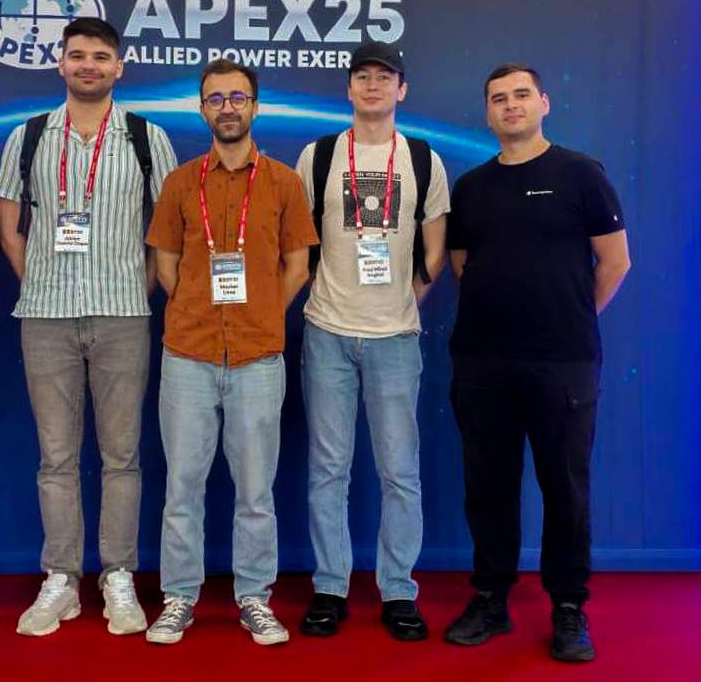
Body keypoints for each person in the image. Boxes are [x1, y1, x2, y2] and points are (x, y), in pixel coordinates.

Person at [0, 17, 177, 637]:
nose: (89, 65)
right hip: (44, 317)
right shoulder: (29, 136)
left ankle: (118, 575)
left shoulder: (146, 138)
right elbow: (9, 225)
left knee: (122, 456)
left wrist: (138, 288)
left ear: (118, 67)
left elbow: (166, 231)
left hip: (123, 315)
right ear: (61, 64)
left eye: (101, 56)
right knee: (56, 457)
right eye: (78, 55)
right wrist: (40, 282)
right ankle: (62, 579)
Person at [444, 63, 631, 662]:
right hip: (482, 361)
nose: (511, 105)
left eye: (521, 94)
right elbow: (462, 265)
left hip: (563, 364)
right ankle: (491, 598)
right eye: (498, 98)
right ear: (488, 112)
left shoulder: (581, 174)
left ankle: (569, 607)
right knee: (488, 486)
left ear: (544, 103)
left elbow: (615, 262)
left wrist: (570, 315)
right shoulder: (471, 187)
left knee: (565, 488)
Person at [143, 59, 319, 646]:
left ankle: (254, 597)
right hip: (188, 354)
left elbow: (298, 265)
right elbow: (166, 263)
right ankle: (179, 597)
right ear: (202, 109)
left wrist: (262, 311)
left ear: (254, 106)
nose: (227, 108)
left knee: (256, 492)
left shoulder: (284, 183)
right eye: (215, 99)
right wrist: (197, 306)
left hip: (257, 357)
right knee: (182, 488)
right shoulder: (179, 183)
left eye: (238, 98)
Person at [295, 41, 450, 641]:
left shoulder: (422, 158)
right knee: (327, 470)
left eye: (384, 77)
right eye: (362, 76)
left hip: (395, 339)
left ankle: (399, 591)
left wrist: (405, 301)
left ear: (401, 89)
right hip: (327, 332)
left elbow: (435, 247)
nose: (372, 85)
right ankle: (330, 586)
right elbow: (300, 241)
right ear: (349, 88)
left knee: (399, 472)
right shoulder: (319, 155)